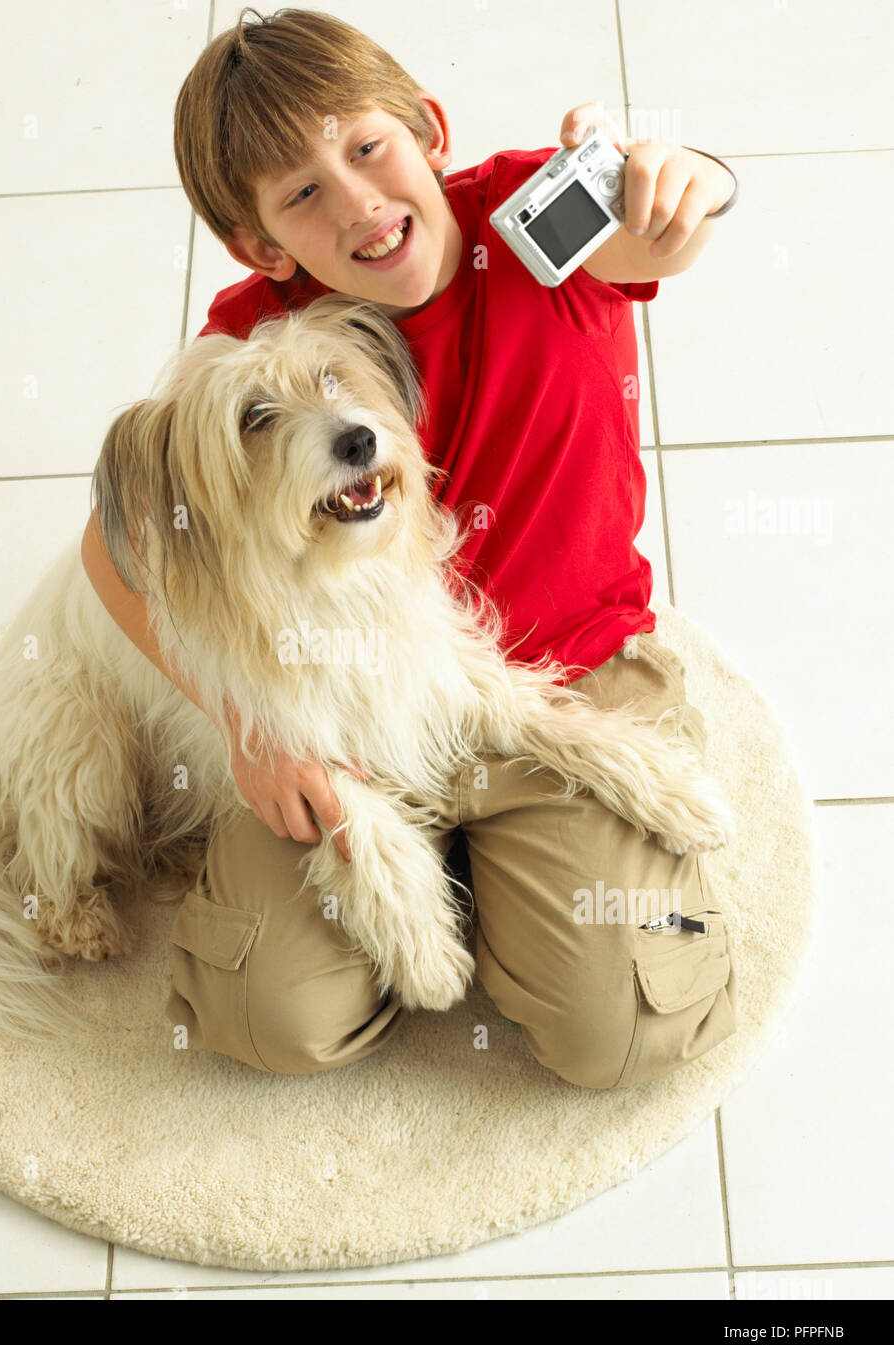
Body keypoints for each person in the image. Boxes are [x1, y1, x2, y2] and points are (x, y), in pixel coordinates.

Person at [81, 7, 741, 1084]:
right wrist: (250, 732)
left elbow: (670, 214)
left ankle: (517, 881)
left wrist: (687, 176)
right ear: (259, 243)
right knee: (263, 1018)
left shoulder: (534, 219)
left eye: (365, 146)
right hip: (346, 703)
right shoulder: (249, 342)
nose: (357, 201)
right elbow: (119, 551)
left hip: (564, 670)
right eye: (301, 193)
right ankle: (457, 871)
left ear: (427, 128)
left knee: (620, 1030)